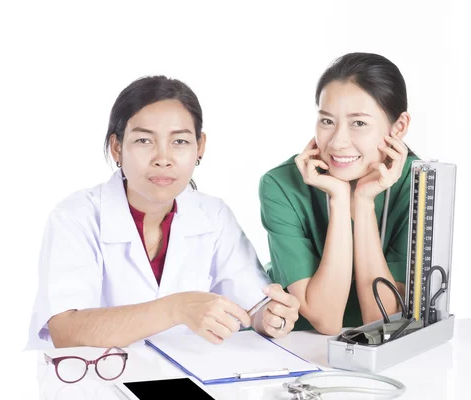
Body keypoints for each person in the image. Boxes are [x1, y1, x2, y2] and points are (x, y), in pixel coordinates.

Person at [27, 75, 300, 349]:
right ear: (117, 147)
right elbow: (65, 331)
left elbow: (253, 305)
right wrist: (176, 308)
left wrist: (272, 317)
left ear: (199, 147)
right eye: (144, 140)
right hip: (87, 383)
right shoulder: (76, 217)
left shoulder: (213, 215)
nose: (163, 159)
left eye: (179, 142)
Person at [259, 52, 417, 335]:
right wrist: (340, 199)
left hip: (386, 356)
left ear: (399, 127)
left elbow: (382, 321)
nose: (338, 142)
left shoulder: (417, 185)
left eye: (358, 123)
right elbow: (326, 320)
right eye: (327, 121)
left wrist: (365, 202)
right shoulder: (281, 185)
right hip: (296, 346)